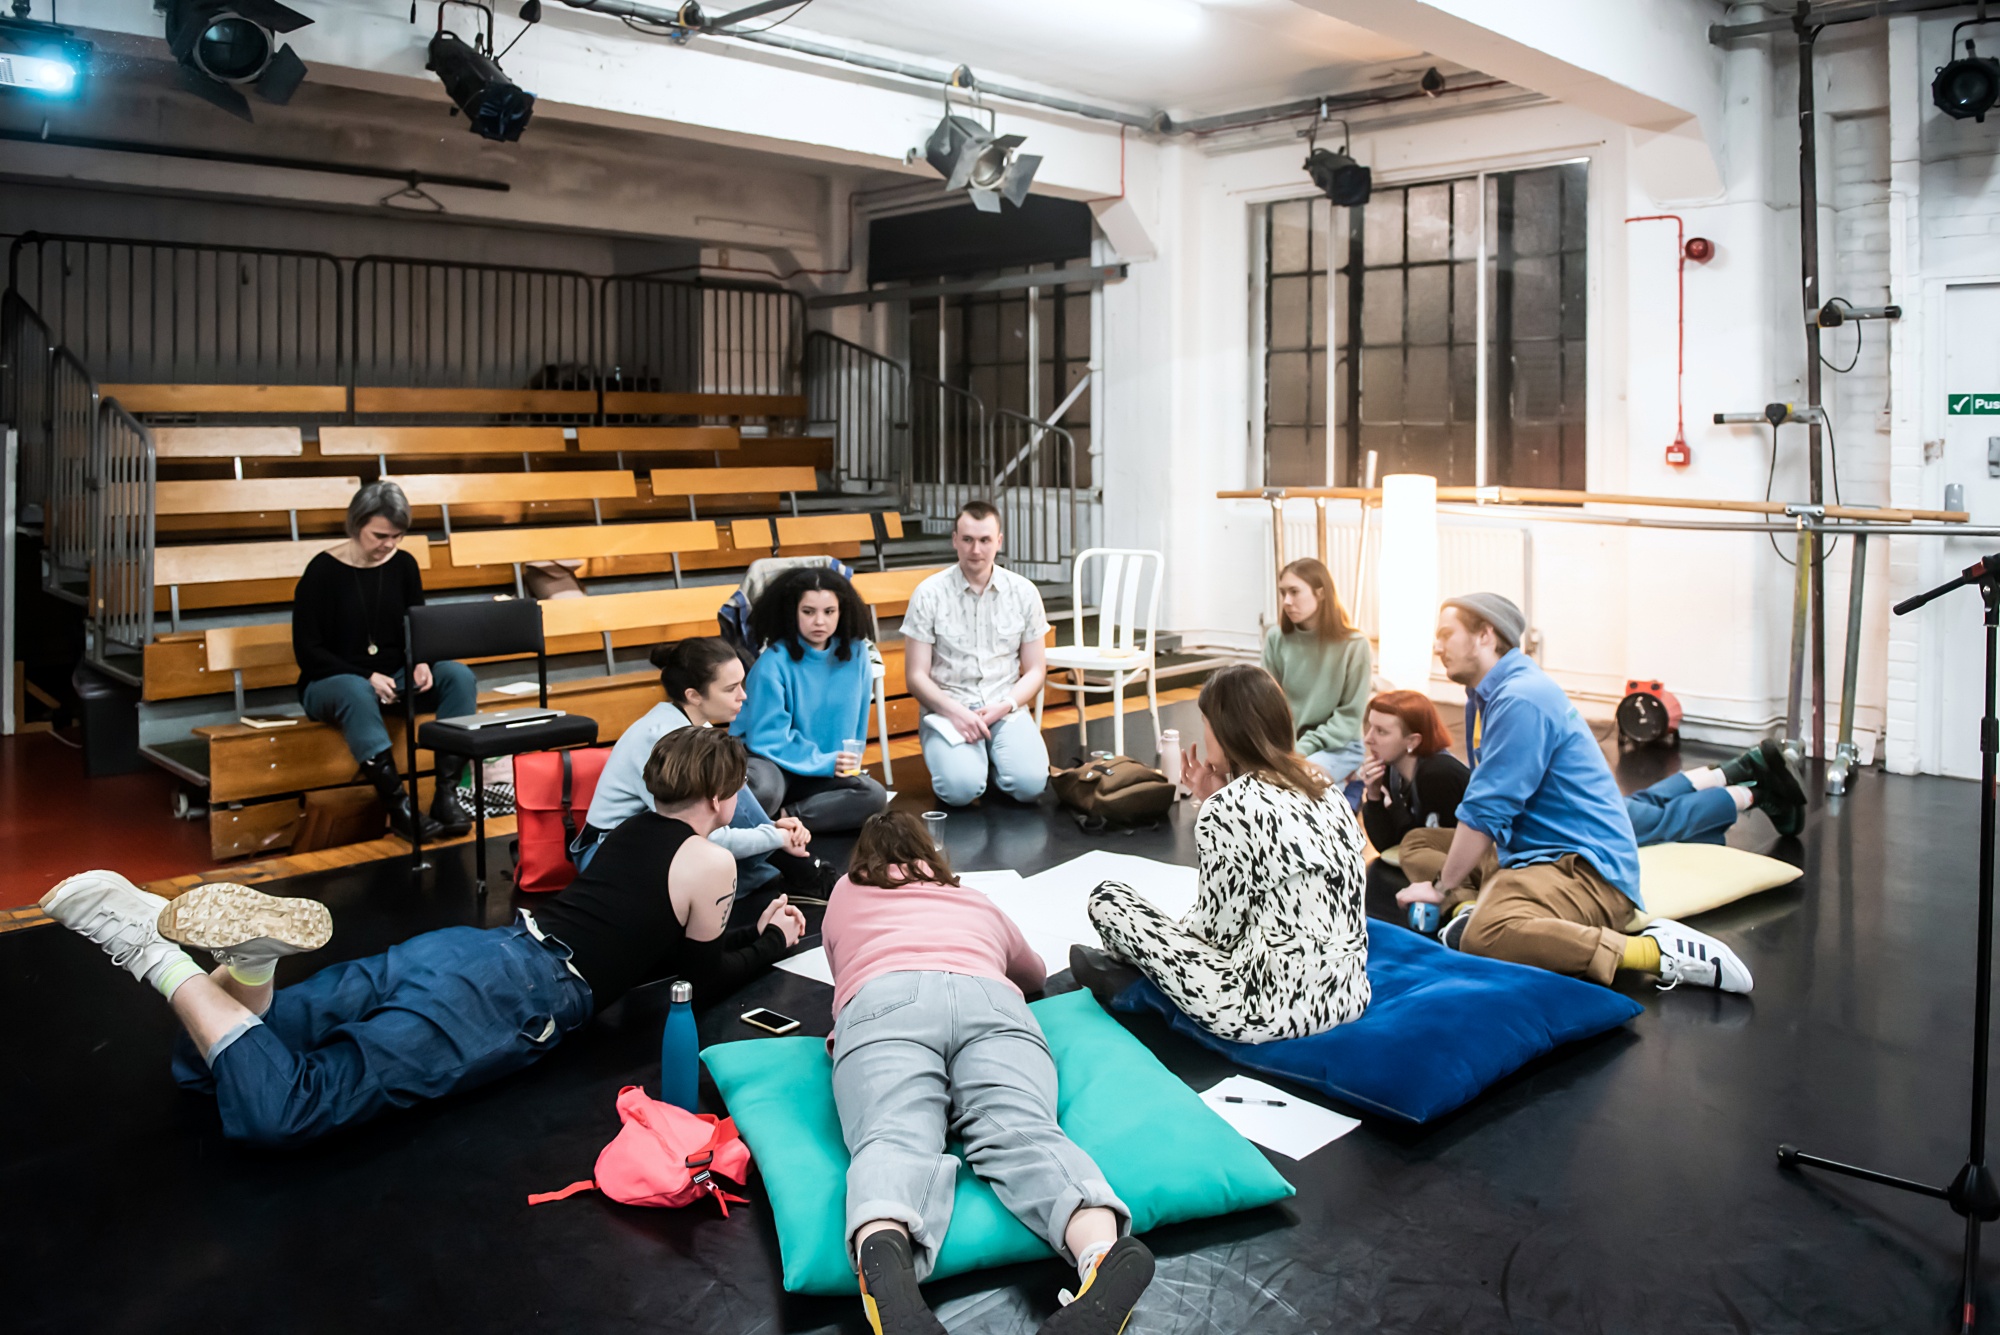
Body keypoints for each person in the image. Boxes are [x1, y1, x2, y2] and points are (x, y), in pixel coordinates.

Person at [37, 728, 807, 1148]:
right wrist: (767, 941)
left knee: (200, 1061)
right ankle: (154, 952)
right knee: (288, 1107)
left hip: (470, 948)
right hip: (519, 996)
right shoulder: (709, 860)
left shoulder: (634, 829)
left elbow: (651, 936)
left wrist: (746, 923)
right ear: (721, 794)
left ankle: (253, 966)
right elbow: (696, 979)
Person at [821, 810, 1153, 1335]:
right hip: (990, 998)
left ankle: (888, 1260)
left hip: (887, 997)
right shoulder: (973, 899)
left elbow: (841, 966)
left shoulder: (844, 892)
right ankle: (1100, 1253)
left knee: (894, 1134)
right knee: (1023, 1128)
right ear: (932, 858)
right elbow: (1033, 972)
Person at [1395, 593, 1755, 993]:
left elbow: (1485, 812)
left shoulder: (1519, 698)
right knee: (1417, 843)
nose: (1437, 646)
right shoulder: (1489, 694)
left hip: (1584, 869)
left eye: (1447, 634)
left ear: (1485, 635)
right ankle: (1469, 909)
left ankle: (1655, 953)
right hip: (1529, 849)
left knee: (1485, 934)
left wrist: (1441, 887)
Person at [1072, 664, 1370, 1043]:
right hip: (1346, 995)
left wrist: (1166, 937)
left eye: (1207, 724)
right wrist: (1217, 795)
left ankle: (1125, 964)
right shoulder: (1326, 788)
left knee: (1108, 899)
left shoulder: (1229, 808)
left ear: (1226, 731)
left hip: (1261, 1009)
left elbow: (1217, 933)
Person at [293, 481, 473, 843]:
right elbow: (308, 652)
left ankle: (446, 795)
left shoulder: (403, 565)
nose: (388, 544)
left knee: (457, 675)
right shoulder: (322, 572)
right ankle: (399, 807)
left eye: (397, 536)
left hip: (393, 676)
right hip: (331, 680)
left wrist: (423, 660)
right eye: (379, 535)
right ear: (356, 525)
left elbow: (417, 624)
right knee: (355, 689)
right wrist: (367, 675)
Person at [576, 637, 825, 895]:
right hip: (606, 853)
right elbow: (699, 834)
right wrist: (777, 838)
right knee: (724, 877)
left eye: (742, 683)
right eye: (731, 688)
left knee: (738, 797)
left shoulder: (697, 728)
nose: (743, 695)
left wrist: (772, 829)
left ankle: (789, 865)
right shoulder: (660, 739)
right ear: (694, 696)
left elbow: (736, 809)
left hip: (658, 838)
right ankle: (792, 866)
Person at [902, 500, 1052, 808]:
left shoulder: (1024, 592)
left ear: (999, 541)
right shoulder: (929, 593)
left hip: (1003, 708)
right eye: (967, 539)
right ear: (955, 540)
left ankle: (994, 761)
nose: (976, 550)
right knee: (960, 791)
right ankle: (975, 766)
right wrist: (956, 712)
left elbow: (1036, 669)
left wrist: (1006, 705)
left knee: (1031, 785)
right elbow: (916, 676)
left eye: (985, 540)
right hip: (948, 712)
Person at [733, 565, 888, 833]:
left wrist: (842, 764)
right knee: (763, 791)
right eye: (808, 612)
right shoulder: (772, 663)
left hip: (822, 768)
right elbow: (766, 739)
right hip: (772, 763)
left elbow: (857, 724)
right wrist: (824, 762)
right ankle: (788, 818)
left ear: (842, 612)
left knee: (873, 795)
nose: (819, 621)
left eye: (829, 612)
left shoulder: (858, 654)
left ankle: (783, 820)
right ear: (793, 613)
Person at [1262, 558, 1372, 788]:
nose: (1287, 601)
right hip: (1288, 746)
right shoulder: (1276, 638)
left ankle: (1347, 786)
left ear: (1320, 593)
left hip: (1338, 746)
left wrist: (1299, 750)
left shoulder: (1355, 645)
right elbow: (1268, 703)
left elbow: (1349, 716)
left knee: (1302, 787)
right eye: (1283, 593)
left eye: (1294, 592)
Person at [1355, 689, 1470, 854]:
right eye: (1370, 727)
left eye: (1381, 731)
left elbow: (1433, 849)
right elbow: (1388, 846)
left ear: (1413, 741)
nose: (1368, 739)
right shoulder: (1392, 770)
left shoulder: (1437, 775)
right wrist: (1374, 796)